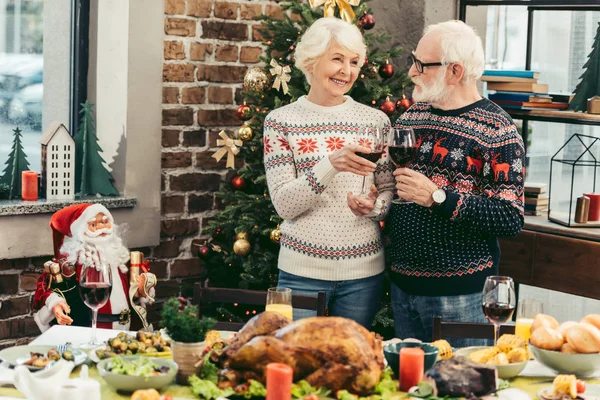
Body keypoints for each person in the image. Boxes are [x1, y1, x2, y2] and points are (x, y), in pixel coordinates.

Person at [386, 20, 525, 347]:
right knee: (407, 392)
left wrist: (437, 197)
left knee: (460, 392)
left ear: (455, 71)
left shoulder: (497, 132)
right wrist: (377, 203)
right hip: (402, 289)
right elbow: (395, 186)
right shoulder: (411, 118)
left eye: (421, 65)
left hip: (459, 298)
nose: (411, 74)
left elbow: (510, 218)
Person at [263, 17, 395, 328]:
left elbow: (390, 189)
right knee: (294, 362)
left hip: (363, 275)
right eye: (337, 59)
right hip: (300, 274)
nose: (346, 71)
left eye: (353, 61)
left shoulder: (375, 121)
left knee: (349, 368)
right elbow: (284, 205)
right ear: (311, 60)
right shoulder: (281, 122)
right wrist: (329, 165)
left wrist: (375, 207)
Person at [32, 203, 156, 332]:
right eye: (93, 225)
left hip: (127, 329)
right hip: (90, 329)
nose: (101, 228)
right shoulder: (72, 261)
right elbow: (44, 287)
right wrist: (55, 304)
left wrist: (141, 291)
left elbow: (134, 296)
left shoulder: (120, 257)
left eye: (105, 222)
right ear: (80, 231)